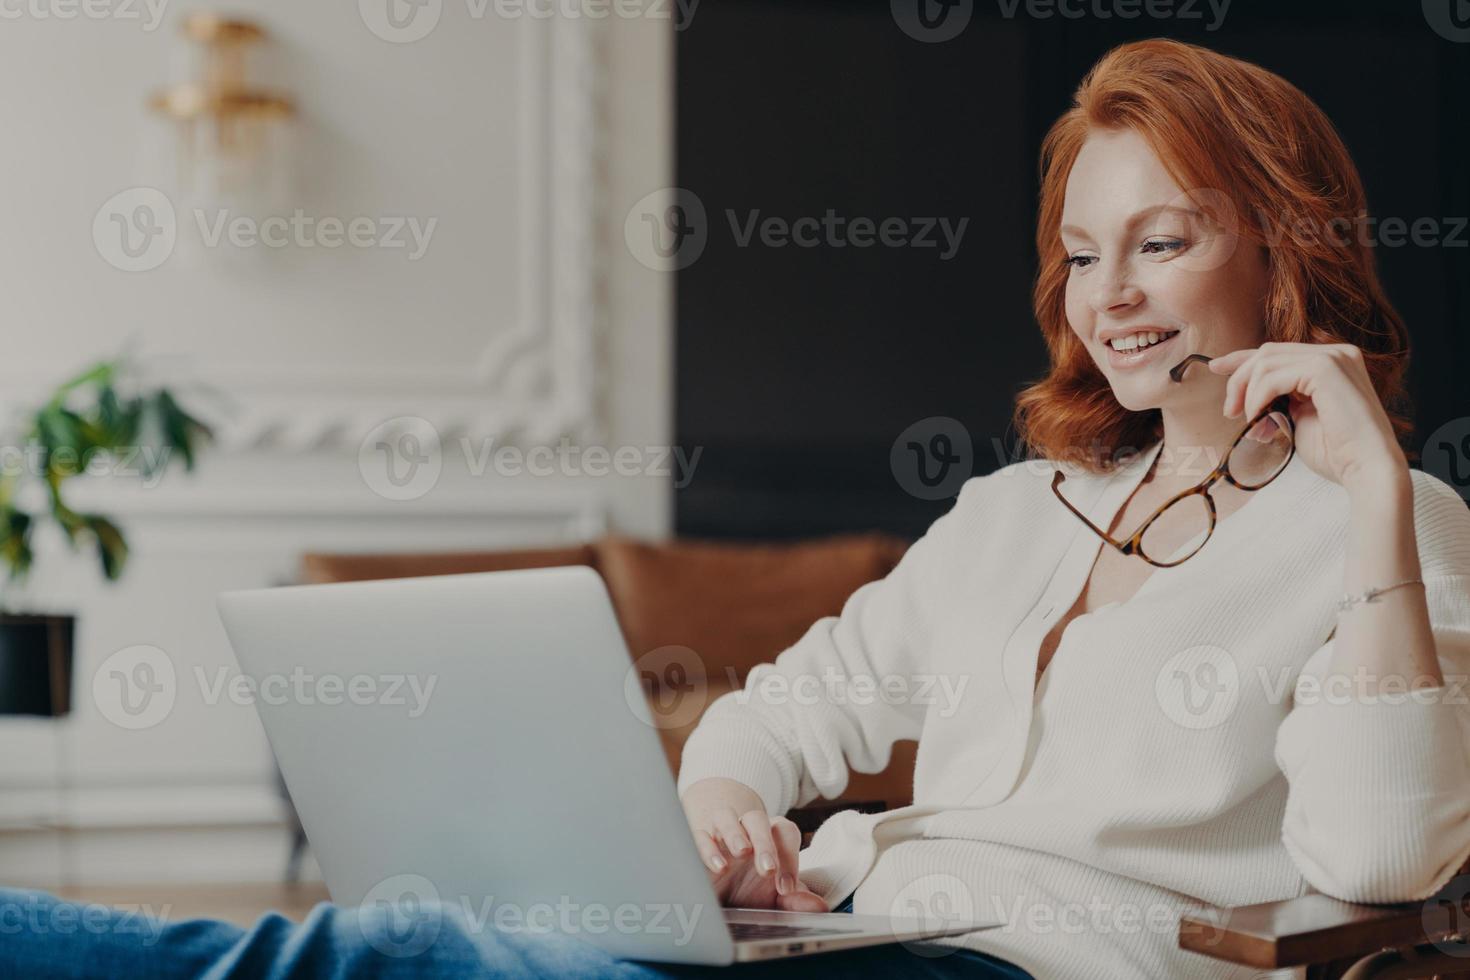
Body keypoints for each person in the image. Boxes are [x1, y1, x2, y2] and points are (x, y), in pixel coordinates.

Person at [4, 37, 1468, 980]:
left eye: (1162, 240)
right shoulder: (1022, 511)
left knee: (421, 961)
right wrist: (718, 804)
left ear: (1281, 254)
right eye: (1084, 254)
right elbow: (786, 706)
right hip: (852, 923)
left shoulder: (1390, 528)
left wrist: (1372, 521)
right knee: (427, 943)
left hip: (1039, 964)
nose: (1113, 295)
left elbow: (1381, 862)